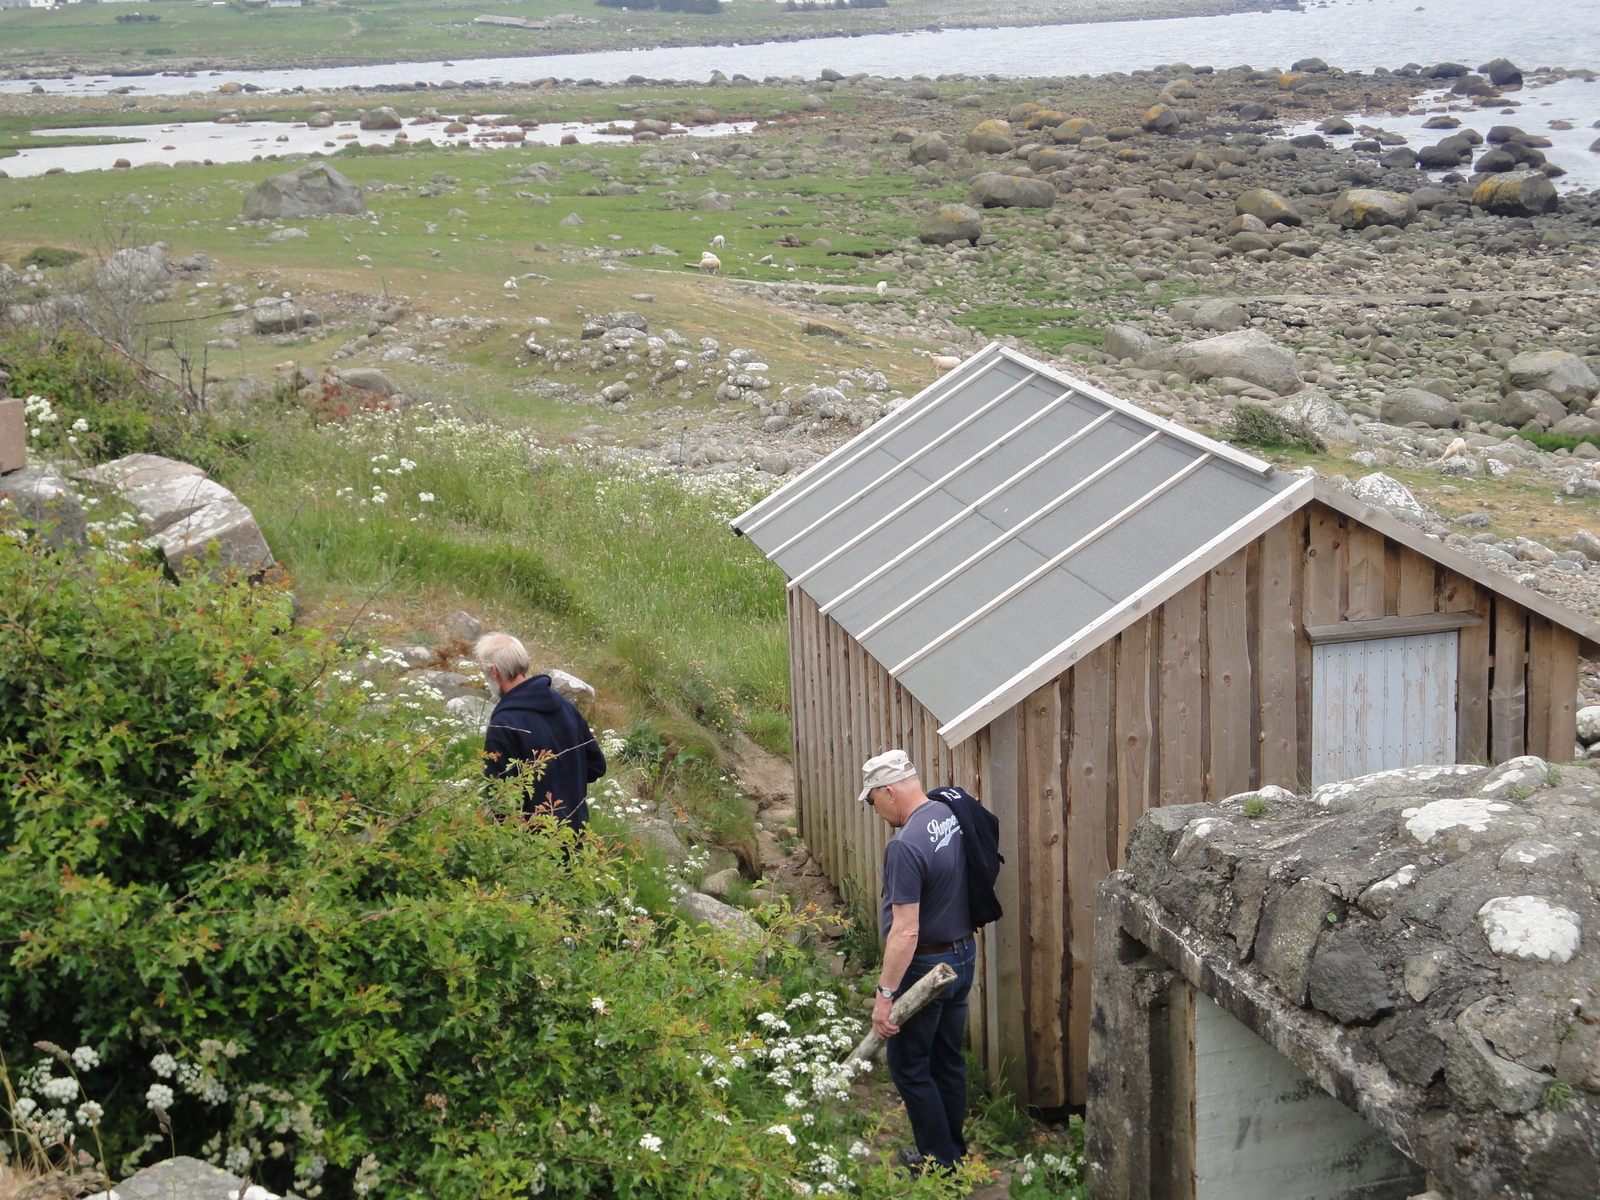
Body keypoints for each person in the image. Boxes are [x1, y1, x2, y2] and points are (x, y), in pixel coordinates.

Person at [860, 749, 974, 1173]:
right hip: (963, 956)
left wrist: (884, 996)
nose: (875, 810)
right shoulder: (949, 813)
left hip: (926, 968)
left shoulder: (904, 846)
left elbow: (905, 931)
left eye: (873, 801)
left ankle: (940, 1164)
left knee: (908, 1065)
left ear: (889, 792)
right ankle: (954, 1152)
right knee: (947, 1059)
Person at [474, 632, 606, 832]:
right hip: (575, 835)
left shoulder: (504, 724)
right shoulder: (564, 706)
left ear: (494, 671)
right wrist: (564, 788)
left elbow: (500, 800)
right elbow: (596, 766)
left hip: (532, 843)